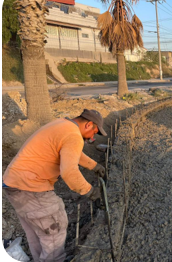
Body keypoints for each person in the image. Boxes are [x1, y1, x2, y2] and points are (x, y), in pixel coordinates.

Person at [3, 109, 107, 262]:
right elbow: (69, 173)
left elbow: (72, 153)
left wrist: (94, 166)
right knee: (54, 230)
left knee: (37, 233)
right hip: (31, 187)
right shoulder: (73, 135)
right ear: (89, 124)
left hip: (14, 185)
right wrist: (91, 192)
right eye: (94, 133)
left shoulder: (62, 124)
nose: (93, 138)